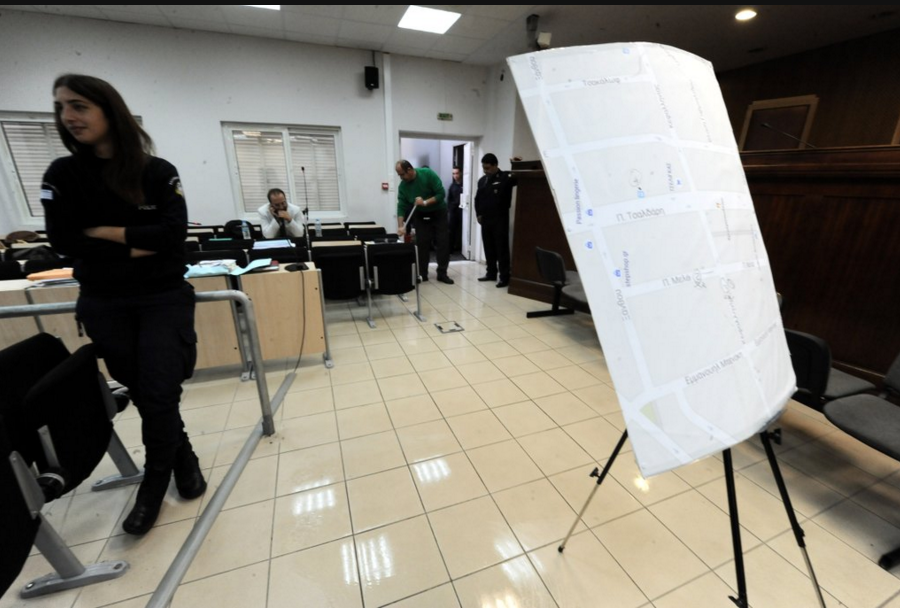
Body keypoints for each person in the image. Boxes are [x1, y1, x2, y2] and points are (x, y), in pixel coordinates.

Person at [41, 74, 206, 536]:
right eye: (61, 107)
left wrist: (102, 233)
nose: (68, 117)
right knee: (146, 392)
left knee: (159, 390)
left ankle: (153, 484)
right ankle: (183, 455)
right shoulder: (62, 174)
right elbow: (63, 241)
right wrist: (137, 243)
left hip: (162, 298)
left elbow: (172, 237)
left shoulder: (155, 172)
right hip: (105, 302)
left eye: (79, 106)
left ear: (109, 111)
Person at [395, 160, 454, 284]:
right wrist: (401, 226)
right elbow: (401, 206)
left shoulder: (427, 174)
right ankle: (422, 274)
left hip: (438, 212)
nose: (401, 177)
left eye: (402, 174)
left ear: (409, 170)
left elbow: (441, 194)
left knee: (442, 242)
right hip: (420, 214)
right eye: (399, 175)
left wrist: (425, 202)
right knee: (422, 244)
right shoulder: (403, 186)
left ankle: (442, 273)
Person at [474, 153, 517, 288]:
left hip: (500, 218)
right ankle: (491, 273)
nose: (485, 171)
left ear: (495, 166)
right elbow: (477, 199)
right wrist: (478, 214)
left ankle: (504, 277)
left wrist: (515, 165)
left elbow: (518, 178)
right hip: (486, 219)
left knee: (501, 248)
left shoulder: (505, 177)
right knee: (488, 247)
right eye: (484, 168)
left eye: (487, 168)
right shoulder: (482, 180)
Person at [447, 167, 463, 253]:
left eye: (457, 173)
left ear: (460, 173)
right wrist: (450, 209)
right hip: (453, 210)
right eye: (453, 174)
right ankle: (450, 248)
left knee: (461, 229)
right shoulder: (452, 186)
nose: (455, 175)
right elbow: (449, 199)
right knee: (451, 229)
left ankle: (460, 247)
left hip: (463, 210)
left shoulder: (465, 185)